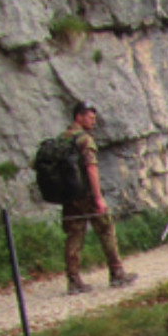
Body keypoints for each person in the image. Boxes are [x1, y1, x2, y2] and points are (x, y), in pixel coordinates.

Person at [61, 101, 138, 295]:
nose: (93, 120)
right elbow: (91, 168)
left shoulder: (63, 138)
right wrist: (98, 198)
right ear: (78, 116)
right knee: (106, 229)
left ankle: (73, 280)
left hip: (69, 195)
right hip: (86, 193)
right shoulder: (85, 140)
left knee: (74, 234)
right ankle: (117, 272)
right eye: (89, 116)